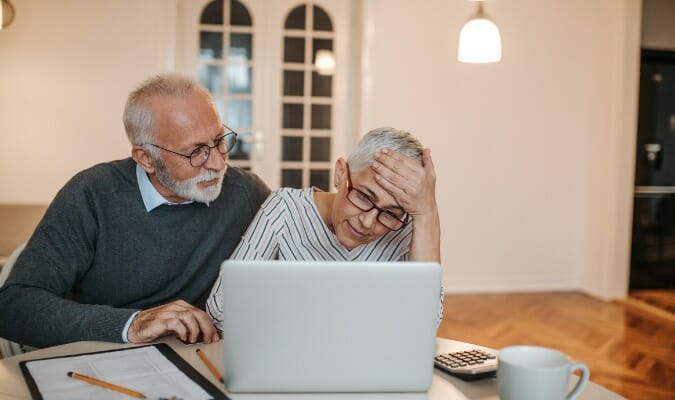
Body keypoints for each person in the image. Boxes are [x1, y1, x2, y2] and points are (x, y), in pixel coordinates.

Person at [0, 74, 270, 348]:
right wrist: (132, 324)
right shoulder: (92, 195)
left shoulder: (245, 192)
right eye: (196, 152)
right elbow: (14, 305)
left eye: (219, 141)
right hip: (102, 359)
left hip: (200, 359)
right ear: (146, 158)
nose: (217, 163)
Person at [207, 127, 442, 330]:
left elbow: (424, 325)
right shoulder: (286, 208)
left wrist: (427, 213)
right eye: (363, 197)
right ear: (340, 173)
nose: (368, 222)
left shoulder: (404, 231)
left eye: (390, 213)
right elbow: (220, 307)